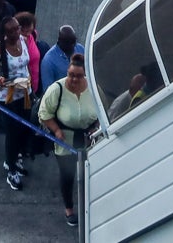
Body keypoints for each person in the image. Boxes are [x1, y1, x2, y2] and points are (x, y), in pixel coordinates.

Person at [39, 54, 99, 227]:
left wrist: (95, 127)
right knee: (67, 175)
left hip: (88, 140)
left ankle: (90, 206)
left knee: (89, 174)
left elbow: (102, 110)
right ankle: (69, 209)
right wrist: (56, 130)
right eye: (71, 74)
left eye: (78, 76)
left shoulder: (93, 88)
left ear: (85, 75)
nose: (74, 79)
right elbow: (44, 113)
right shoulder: (56, 90)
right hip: (65, 141)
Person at [0, 15, 34, 190]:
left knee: (23, 130)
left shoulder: (23, 40)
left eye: (17, 28)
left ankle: (14, 159)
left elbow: (26, 64)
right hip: (8, 98)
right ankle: (11, 171)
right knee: (12, 134)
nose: (15, 32)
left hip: (25, 94)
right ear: (4, 33)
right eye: (11, 31)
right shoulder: (0, 48)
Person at [40, 25, 85, 90]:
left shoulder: (80, 49)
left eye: (74, 41)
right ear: (60, 41)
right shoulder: (48, 61)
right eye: (70, 43)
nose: (74, 45)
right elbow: (48, 90)